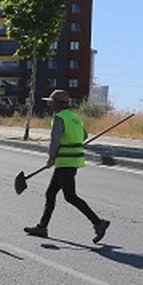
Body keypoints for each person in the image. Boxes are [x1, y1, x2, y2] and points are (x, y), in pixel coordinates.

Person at [24, 90, 110, 243]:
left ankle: (98, 223)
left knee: (70, 196)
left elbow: (55, 141)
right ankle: (42, 227)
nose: (49, 104)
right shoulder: (74, 117)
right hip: (72, 160)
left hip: (65, 161)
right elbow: (84, 136)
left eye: (52, 102)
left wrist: (51, 158)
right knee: (50, 193)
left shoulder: (59, 118)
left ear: (59, 103)